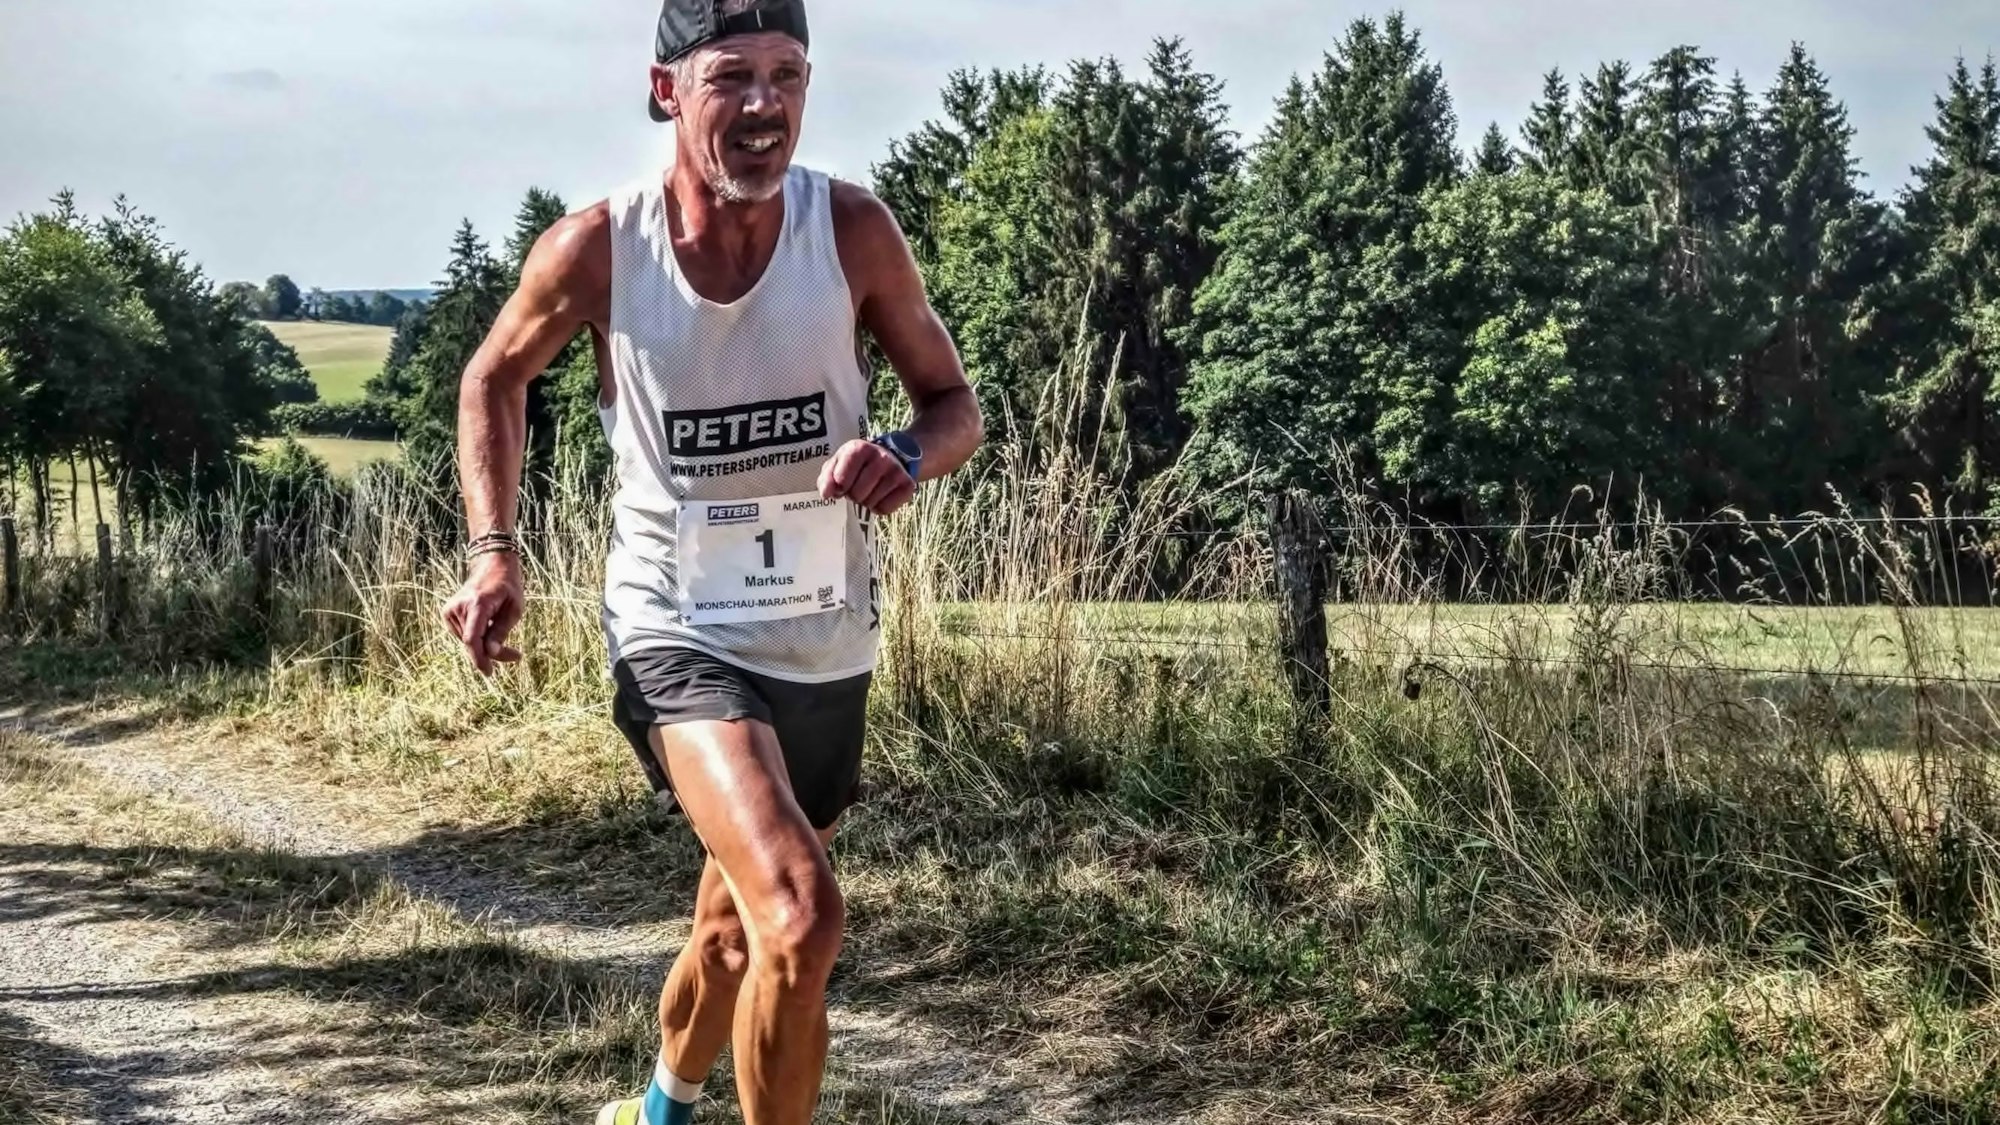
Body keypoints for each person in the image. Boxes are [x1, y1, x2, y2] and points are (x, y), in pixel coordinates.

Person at [439, 1, 984, 1122]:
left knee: (737, 934)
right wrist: (495, 552)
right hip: (675, 625)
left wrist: (901, 455)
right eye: (732, 76)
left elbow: (952, 406)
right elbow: (493, 377)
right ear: (667, 91)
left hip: (822, 632)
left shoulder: (851, 230)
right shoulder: (600, 247)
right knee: (801, 913)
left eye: (788, 75)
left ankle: (656, 1109)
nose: (764, 104)